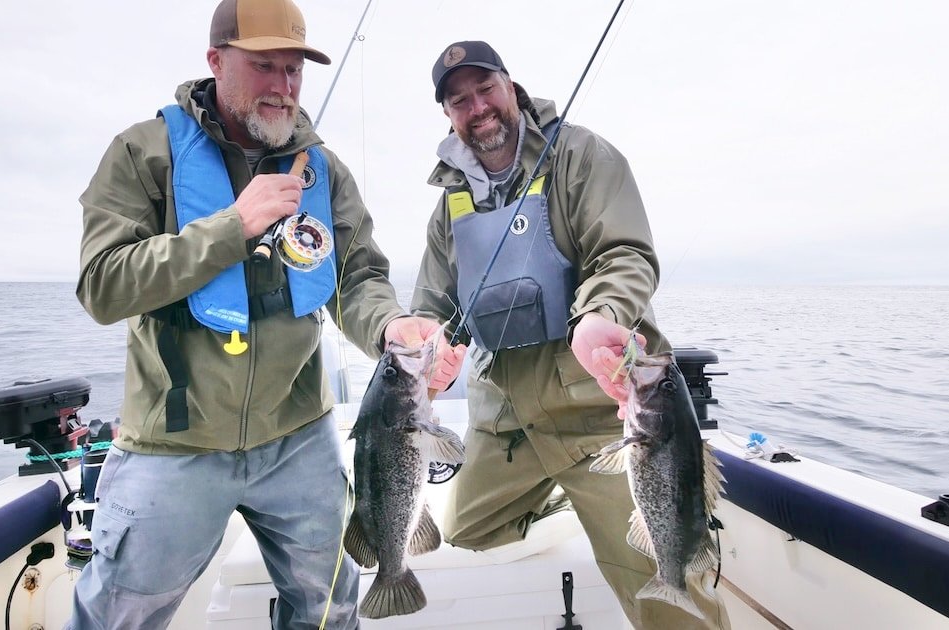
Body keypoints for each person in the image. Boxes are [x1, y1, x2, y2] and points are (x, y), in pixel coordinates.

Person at [69, 1, 455, 628]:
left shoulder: (321, 172)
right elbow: (101, 285)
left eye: (294, 70)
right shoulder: (143, 153)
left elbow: (357, 276)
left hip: (298, 438)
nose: (283, 87)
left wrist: (390, 325)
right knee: (119, 617)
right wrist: (232, 228)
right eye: (264, 67)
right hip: (175, 443)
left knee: (329, 612)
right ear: (216, 62)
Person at [410, 41, 731, 629]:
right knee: (463, 527)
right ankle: (574, 496)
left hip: (599, 413)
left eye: (486, 89)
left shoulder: (580, 155)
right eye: (460, 100)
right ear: (448, 115)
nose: (477, 107)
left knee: (668, 588)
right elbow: (432, 305)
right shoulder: (445, 211)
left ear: (511, 86)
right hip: (509, 420)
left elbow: (624, 253)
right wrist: (426, 347)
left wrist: (603, 315)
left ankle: (610, 501)